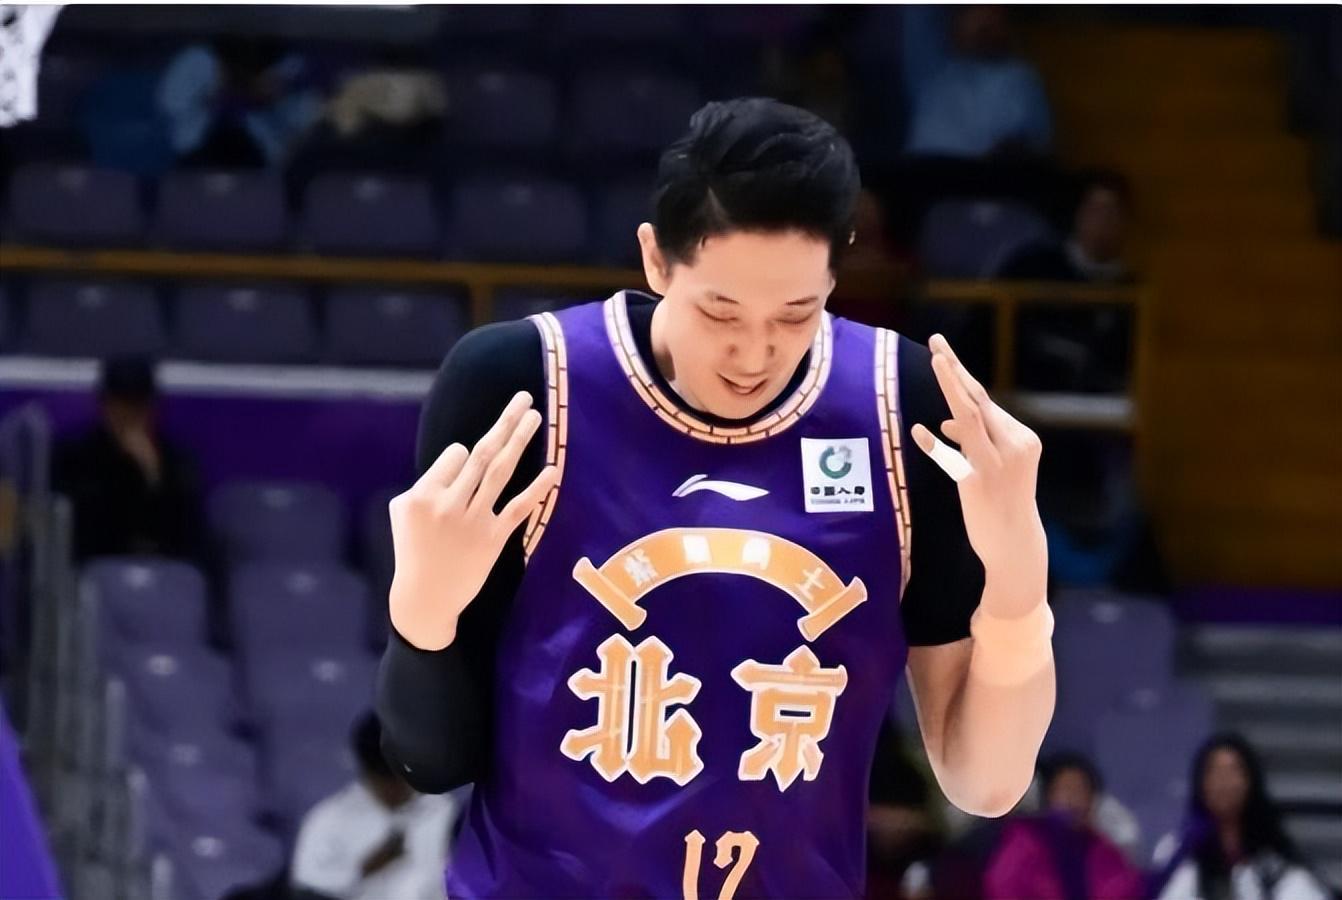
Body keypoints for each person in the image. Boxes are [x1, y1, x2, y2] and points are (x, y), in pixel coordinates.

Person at [377, 97, 1055, 897]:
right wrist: (423, 614)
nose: (754, 354)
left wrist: (1019, 585)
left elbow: (985, 783)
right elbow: (432, 762)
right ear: (656, 261)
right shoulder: (520, 387)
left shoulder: (901, 404)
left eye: (797, 314)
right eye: (720, 311)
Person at [52, 356, 206, 564]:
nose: (129, 416)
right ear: (104, 406)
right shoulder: (73, 457)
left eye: (138, 406)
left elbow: (187, 538)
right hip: (92, 571)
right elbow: (79, 531)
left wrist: (154, 478)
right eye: (121, 405)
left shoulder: (177, 461)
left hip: (160, 572)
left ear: (153, 408)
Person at [289, 712, 458, 900]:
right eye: (385, 780)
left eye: (401, 779)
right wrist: (361, 871)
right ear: (367, 772)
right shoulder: (329, 821)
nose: (395, 789)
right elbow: (308, 889)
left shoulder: (445, 812)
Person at [1153, 733, 1330, 900]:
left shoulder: (1278, 864)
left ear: (1250, 782)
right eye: (1214, 772)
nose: (1223, 782)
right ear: (1201, 783)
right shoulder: (1178, 854)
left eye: (1233, 771)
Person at [983, 752, 1146, 899]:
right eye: (1065, 788)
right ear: (1049, 795)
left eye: (1079, 789)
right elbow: (1003, 886)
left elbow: (1125, 889)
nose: (1072, 797)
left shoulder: (1103, 850)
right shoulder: (1024, 839)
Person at [904, 5, 1053, 159]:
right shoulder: (933, 72)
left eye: (994, 13)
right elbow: (917, 15)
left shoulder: (1018, 80)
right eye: (974, 10)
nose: (985, 19)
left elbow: (1021, 148)